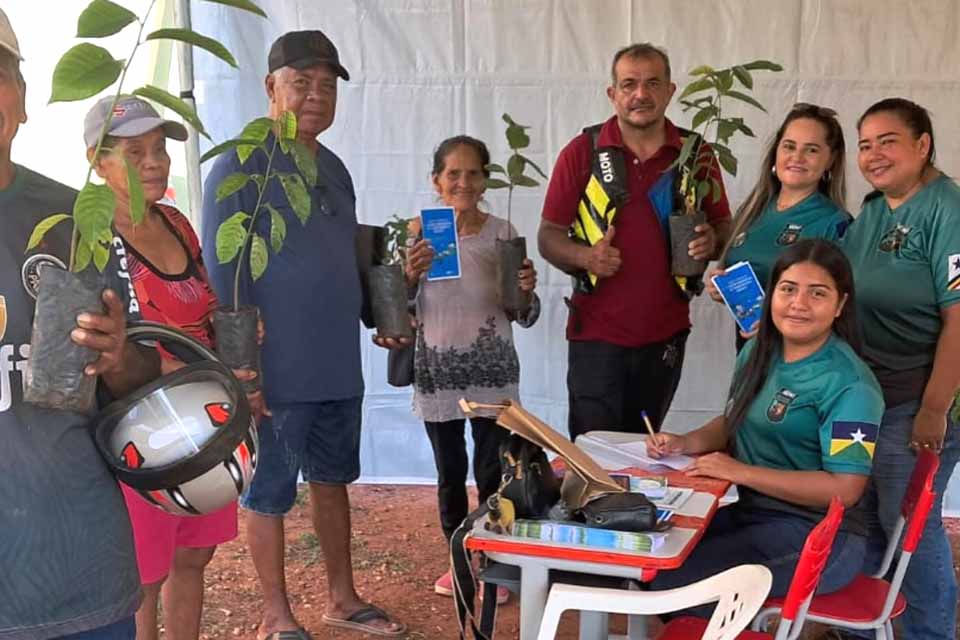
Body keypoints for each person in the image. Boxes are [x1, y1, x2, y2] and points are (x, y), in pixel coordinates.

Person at [202, 30, 405, 639]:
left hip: (337, 363)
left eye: (326, 85)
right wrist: (244, 370)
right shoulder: (240, 165)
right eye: (301, 82)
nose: (316, 95)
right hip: (277, 369)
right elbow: (223, 273)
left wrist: (383, 311)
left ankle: (343, 598)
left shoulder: (334, 169)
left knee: (333, 480)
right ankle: (276, 615)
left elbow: (345, 258)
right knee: (268, 492)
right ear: (271, 87)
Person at [0, 10, 160, 639]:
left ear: (23, 99)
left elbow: (137, 378)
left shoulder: (76, 217)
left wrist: (118, 356)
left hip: (75, 564)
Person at [85, 95, 266, 640]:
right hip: (142, 429)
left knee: (194, 555)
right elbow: (91, 339)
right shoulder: (89, 236)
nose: (154, 162)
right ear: (97, 162)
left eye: (159, 149)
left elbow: (202, 301)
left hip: (203, 420)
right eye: (134, 152)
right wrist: (183, 370)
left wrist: (234, 333)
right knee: (144, 573)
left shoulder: (176, 223)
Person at [647, 239, 883, 606]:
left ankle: (732, 627)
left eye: (817, 293)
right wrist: (684, 442)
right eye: (788, 289)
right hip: (752, 511)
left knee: (674, 584)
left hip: (820, 535)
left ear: (840, 305)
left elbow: (845, 489)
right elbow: (735, 420)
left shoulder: (851, 384)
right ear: (771, 295)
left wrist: (740, 471)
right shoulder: (758, 351)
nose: (798, 303)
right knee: (653, 553)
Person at [537, 42, 732, 440]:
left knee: (645, 449)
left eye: (652, 83)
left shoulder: (696, 153)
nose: (640, 94)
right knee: (593, 452)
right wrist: (586, 257)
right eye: (629, 84)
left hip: (666, 333)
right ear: (613, 93)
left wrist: (711, 240)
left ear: (670, 90)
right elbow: (548, 236)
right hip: (595, 334)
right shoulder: (583, 151)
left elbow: (725, 228)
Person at [399, 135, 540, 601]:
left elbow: (524, 314)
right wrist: (408, 275)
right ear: (435, 180)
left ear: (486, 180)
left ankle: (494, 560)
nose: (463, 182)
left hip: (492, 371)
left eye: (473, 173)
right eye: (453, 174)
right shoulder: (417, 233)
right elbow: (397, 309)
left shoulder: (502, 232)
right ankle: (458, 559)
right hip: (437, 371)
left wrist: (526, 289)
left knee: (493, 471)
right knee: (449, 472)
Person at [840, 98, 960, 640]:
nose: (873, 155)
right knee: (860, 513)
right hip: (866, 397)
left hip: (916, 400)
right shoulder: (872, 210)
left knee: (907, 524)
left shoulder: (947, 210)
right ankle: (868, 629)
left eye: (887, 141)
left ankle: (930, 633)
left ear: (923, 144)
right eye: (865, 145)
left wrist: (934, 409)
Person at [707, 103, 851, 349]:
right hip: (750, 354)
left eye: (812, 150)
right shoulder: (752, 210)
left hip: (798, 357)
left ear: (831, 159)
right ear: (776, 151)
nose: (797, 157)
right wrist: (723, 288)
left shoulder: (834, 223)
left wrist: (777, 319)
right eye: (789, 146)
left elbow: (840, 306)